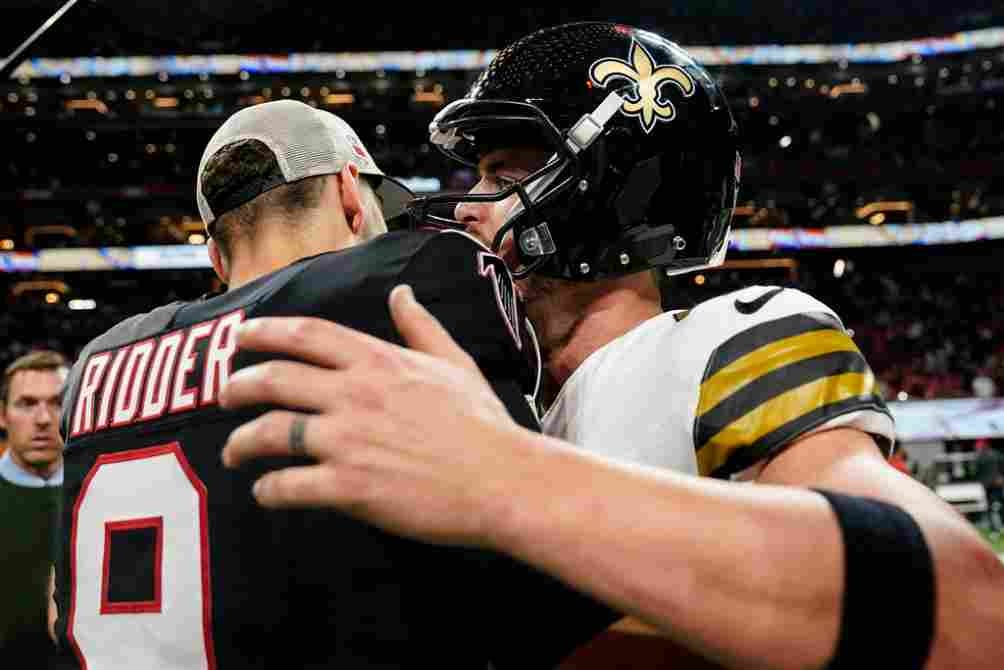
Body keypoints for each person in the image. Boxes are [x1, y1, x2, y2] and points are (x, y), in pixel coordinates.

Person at [218, 23, 1004, 670]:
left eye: (499, 176)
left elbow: (964, 613)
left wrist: (506, 479)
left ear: (604, 188)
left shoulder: (722, 341)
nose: (468, 209)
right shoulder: (495, 400)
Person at [53, 100, 614, 669]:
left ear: (217, 257)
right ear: (350, 194)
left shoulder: (98, 363)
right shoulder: (411, 282)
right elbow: (529, 574)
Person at [0, 351, 68, 663]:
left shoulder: (109, 497)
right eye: (27, 403)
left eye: (57, 403)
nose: (43, 419)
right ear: (3, 415)